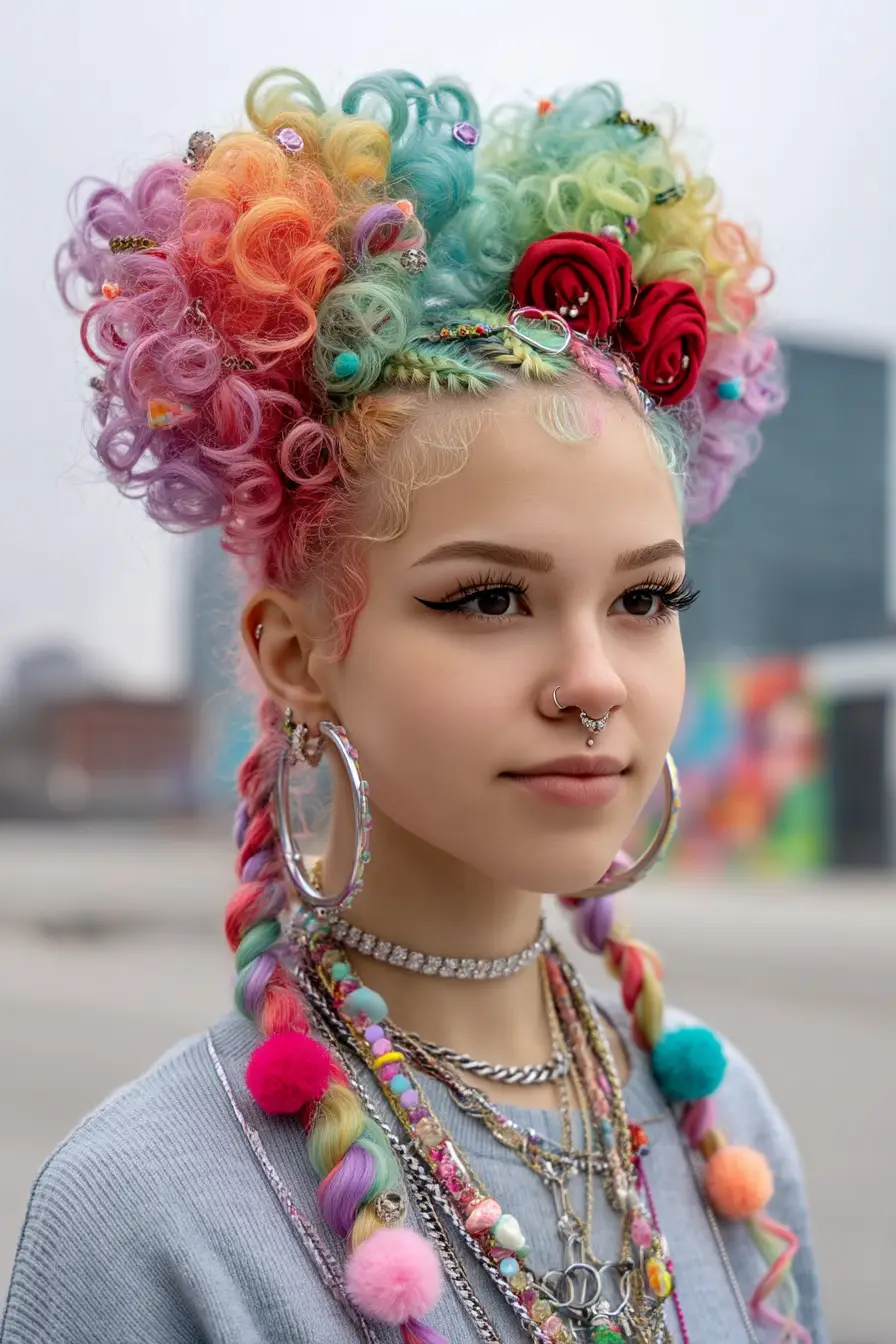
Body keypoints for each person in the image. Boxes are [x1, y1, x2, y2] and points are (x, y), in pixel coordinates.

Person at [1, 67, 825, 1344]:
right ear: (294, 654)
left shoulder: (727, 1132)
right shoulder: (147, 1220)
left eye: (644, 598)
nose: (594, 679)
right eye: (488, 598)